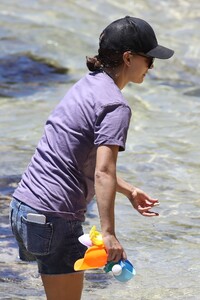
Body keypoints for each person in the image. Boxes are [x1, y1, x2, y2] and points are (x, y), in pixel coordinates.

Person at [10, 16, 174, 300]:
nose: (151, 67)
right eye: (149, 59)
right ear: (128, 58)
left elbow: (76, 157)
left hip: (24, 208)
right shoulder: (115, 105)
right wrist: (109, 233)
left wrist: (129, 190)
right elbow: (103, 172)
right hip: (54, 218)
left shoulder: (87, 85)